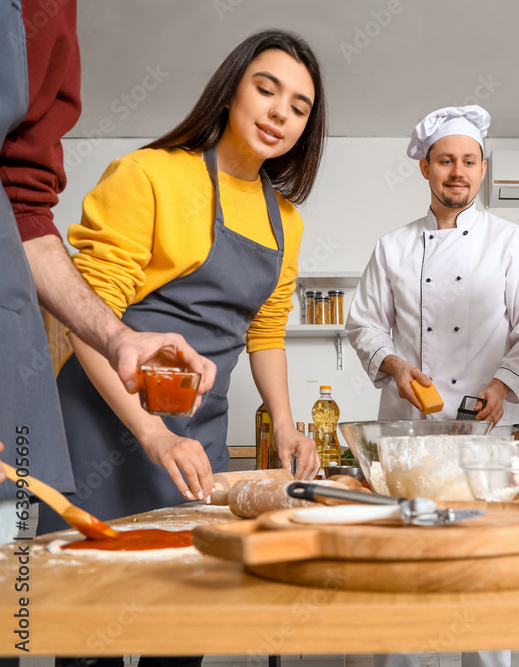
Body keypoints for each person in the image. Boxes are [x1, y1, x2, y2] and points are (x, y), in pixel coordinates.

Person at [39, 28, 326, 537]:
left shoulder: (286, 220)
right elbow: (87, 321)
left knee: (189, 585)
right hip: (101, 423)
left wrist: (285, 425)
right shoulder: (147, 175)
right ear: (231, 90)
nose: (281, 112)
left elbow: (265, 334)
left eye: (299, 108)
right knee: (90, 589)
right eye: (266, 89)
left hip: (198, 434)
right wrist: (152, 433)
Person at [0, 0, 214, 542]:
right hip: (103, 427)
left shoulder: (46, 13)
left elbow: (24, 209)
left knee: (18, 596)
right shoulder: (145, 174)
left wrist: (119, 338)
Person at [346, 104, 519, 431]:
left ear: (482, 170)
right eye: (446, 161)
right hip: (410, 423)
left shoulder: (510, 240)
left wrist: (500, 387)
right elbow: (364, 326)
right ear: (425, 168)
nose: (458, 172)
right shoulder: (391, 247)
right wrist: (396, 366)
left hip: (485, 421)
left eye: (469, 161)